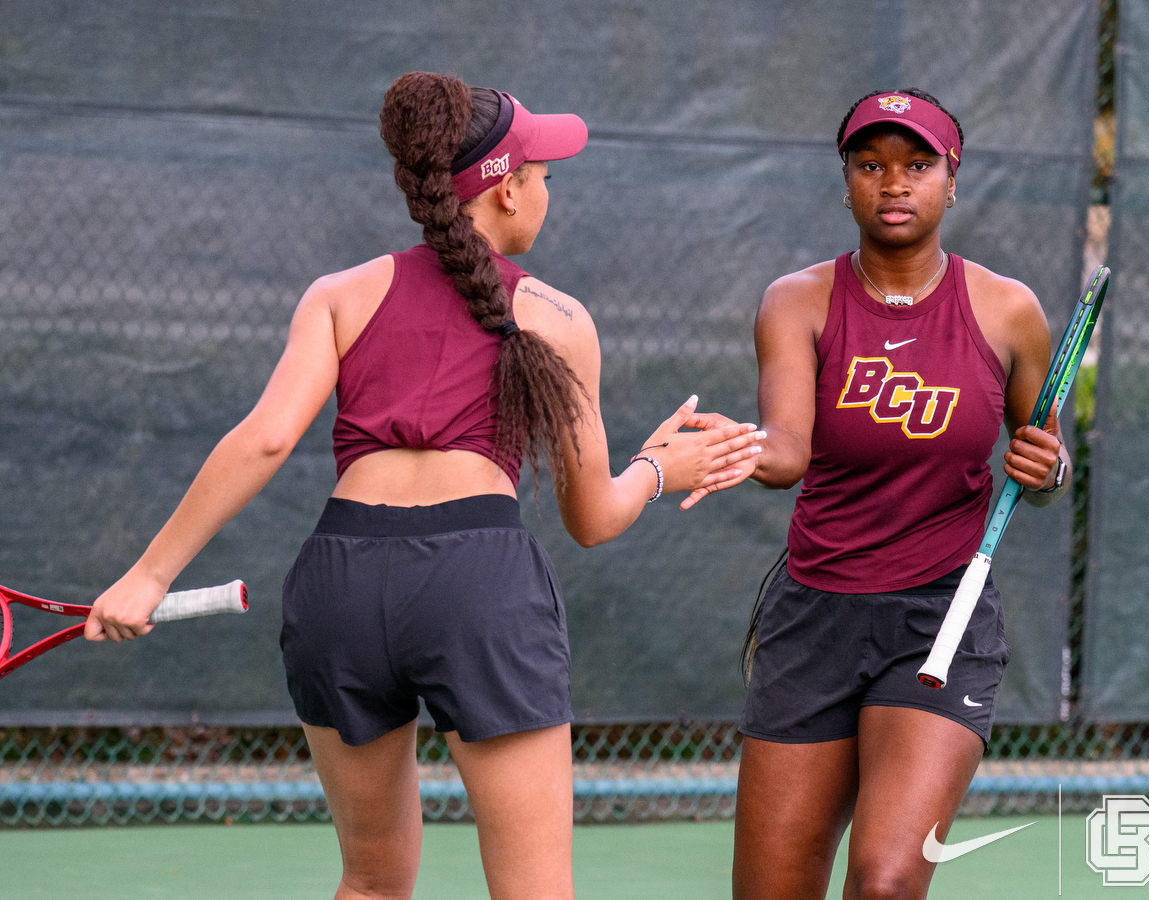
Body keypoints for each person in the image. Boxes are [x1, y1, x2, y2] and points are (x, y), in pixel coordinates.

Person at [84, 72, 764, 900]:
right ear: (507, 189)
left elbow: (264, 439)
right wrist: (660, 468)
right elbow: (592, 518)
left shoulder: (338, 295)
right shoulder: (558, 317)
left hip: (339, 583)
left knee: (371, 884)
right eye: (544, 175)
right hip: (478, 585)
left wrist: (148, 575)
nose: (548, 191)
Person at [730, 89, 1071, 900]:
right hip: (813, 617)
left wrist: (1049, 470)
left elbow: (1049, 463)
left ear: (952, 179)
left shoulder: (1008, 310)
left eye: (917, 165)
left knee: (886, 880)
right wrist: (727, 450)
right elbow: (786, 449)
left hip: (941, 617)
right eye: (870, 164)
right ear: (846, 180)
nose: (894, 183)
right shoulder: (796, 300)